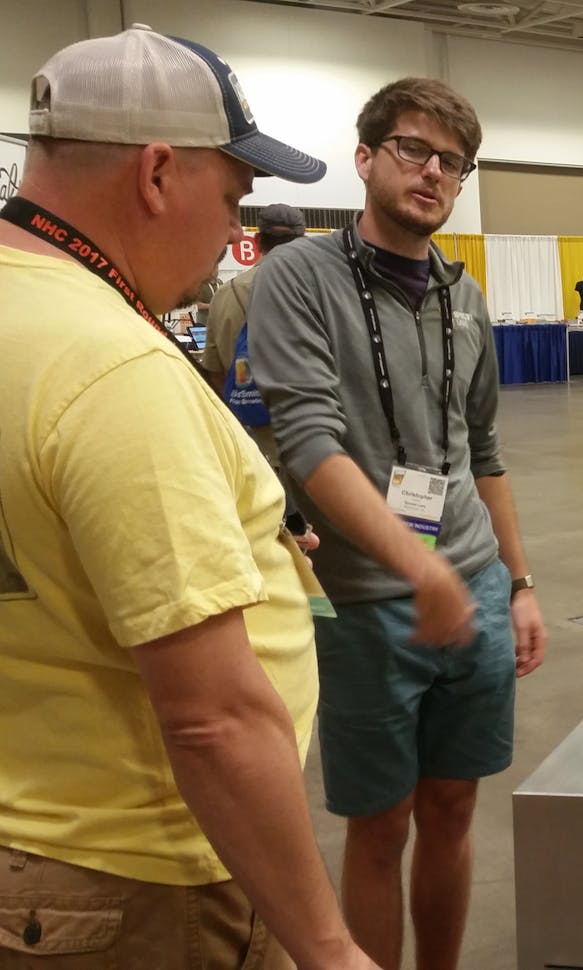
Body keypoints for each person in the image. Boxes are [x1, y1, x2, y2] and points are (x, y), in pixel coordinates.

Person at [0, 24, 379, 970]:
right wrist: (330, 950)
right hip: (137, 878)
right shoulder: (111, 365)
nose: (234, 234)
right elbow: (211, 718)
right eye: (236, 194)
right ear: (159, 172)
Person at [247, 77, 548, 970]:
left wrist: (518, 584)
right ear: (367, 157)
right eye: (415, 150)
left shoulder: (465, 295)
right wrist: (420, 572)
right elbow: (307, 443)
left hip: (475, 593)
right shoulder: (299, 276)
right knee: (380, 828)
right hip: (372, 600)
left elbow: (482, 453)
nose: (433, 174)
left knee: (452, 811)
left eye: (452, 163)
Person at [202, 202, 308, 465]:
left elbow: (215, 375)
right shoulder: (324, 292)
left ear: (258, 240)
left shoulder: (225, 295)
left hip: (249, 450)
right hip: (311, 452)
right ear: (304, 242)